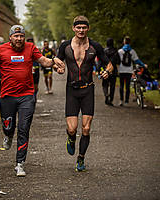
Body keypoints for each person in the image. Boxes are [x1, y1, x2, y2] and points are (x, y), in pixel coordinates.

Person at [0, 25, 65, 177]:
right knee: (7, 125)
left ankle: (20, 163)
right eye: (16, 36)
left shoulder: (30, 48)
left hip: (27, 96)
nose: (19, 39)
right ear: (10, 37)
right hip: (7, 96)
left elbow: (44, 61)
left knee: (24, 128)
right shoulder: (1, 50)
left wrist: (54, 61)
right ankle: (8, 134)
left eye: (21, 36)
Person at [56, 16, 113, 171]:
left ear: (88, 28)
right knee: (72, 128)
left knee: (86, 129)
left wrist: (107, 72)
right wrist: (59, 68)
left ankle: (81, 159)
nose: (81, 30)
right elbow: (57, 61)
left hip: (88, 89)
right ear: (73, 28)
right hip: (72, 91)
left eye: (84, 28)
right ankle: (71, 138)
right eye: (78, 27)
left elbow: (109, 64)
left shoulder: (95, 46)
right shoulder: (65, 46)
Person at [118, 36, 147, 106]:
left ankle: (121, 100)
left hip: (121, 70)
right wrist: (143, 65)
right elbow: (137, 60)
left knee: (121, 86)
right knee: (127, 86)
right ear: (130, 42)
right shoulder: (132, 51)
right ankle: (126, 101)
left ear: (124, 42)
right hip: (129, 71)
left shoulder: (120, 51)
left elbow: (117, 60)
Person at [103, 38, 120, 106]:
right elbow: (119, 61)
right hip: (113, 70)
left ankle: (106, 94)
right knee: (112, 85)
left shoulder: (104, 51)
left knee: (105, 84)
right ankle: (111, 99)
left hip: (105, 69)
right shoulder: (115, 51)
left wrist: (99, 69)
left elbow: (101, 60)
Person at [26, 37, 40, 101]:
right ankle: (31, 98)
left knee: (36, 86)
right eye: (29, 41)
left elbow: (42, 59)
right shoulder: (23, 50)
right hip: (27, 71)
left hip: (36, 70)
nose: (30, 43)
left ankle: (34, 95)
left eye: (31, 41)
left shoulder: (36, 50)